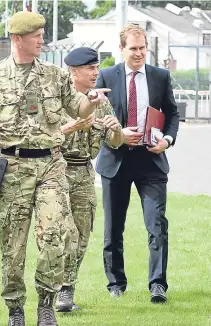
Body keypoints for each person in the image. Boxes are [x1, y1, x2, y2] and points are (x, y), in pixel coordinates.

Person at [0, 11, 110, 326]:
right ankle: (15, 310)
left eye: (43, 34)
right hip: (12, 167)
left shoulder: (55, 75)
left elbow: (79, 107)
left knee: (53, 237)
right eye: (36, 35)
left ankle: (46, 303)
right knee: (13, 245)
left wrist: (92, 99)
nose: (42, 39)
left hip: (50, 165)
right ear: (17, 38)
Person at [95, 24, 179, 303]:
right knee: (113, 227)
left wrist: (166, 139)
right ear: (122, 49)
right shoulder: (106, 76)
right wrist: (118, 136)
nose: (139, 53)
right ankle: (116, 283)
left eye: (143, 47)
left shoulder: (160, 76)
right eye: (133, 48)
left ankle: (158, 284)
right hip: (115, 160)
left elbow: (172, 114)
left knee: (157, 224)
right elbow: (95, 120)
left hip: (151, 160)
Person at [55, 47, 124, 313]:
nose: (96, 73)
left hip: (84, 173)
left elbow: (115, 143)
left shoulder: (101, 100)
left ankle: (66, 291)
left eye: (97, 68)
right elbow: (42, 135)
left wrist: (115, 130)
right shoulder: (57, 97)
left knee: (82, 235)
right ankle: (52, 288)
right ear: (74, 71)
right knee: (61, 234)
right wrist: (72, 126)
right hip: (56, 171)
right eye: (90, 69)